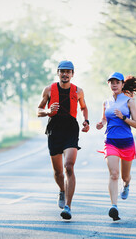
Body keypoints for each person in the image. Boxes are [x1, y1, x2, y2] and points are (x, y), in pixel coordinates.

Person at [37, 60, 90, 220]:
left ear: (73, 74)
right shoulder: (49, 90)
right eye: (62, 71)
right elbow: (39, 110)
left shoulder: (78, 91)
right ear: (58, 73)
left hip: (70, 130)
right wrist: (47, 112)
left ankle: (68, 206)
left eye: (68, 71)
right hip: (54, 130)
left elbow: (83, 107)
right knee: (58, 172)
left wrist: (86, 121)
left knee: (69, 167)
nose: (65, 74)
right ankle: (62, 190)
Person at [96, 72, 136, 221]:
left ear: (122, 84)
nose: (114, 84)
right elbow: (104, 119)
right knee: (114, 174)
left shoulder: (129, 102)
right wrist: (100, 124)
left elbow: (135, 124)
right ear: (108, 84)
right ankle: (114, 206)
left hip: (126, 142)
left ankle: (127, 184)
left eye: (117, 82)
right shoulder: (106, 102)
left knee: (125, 176)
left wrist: (123, 117)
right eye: (111, 82)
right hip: (111, 141)